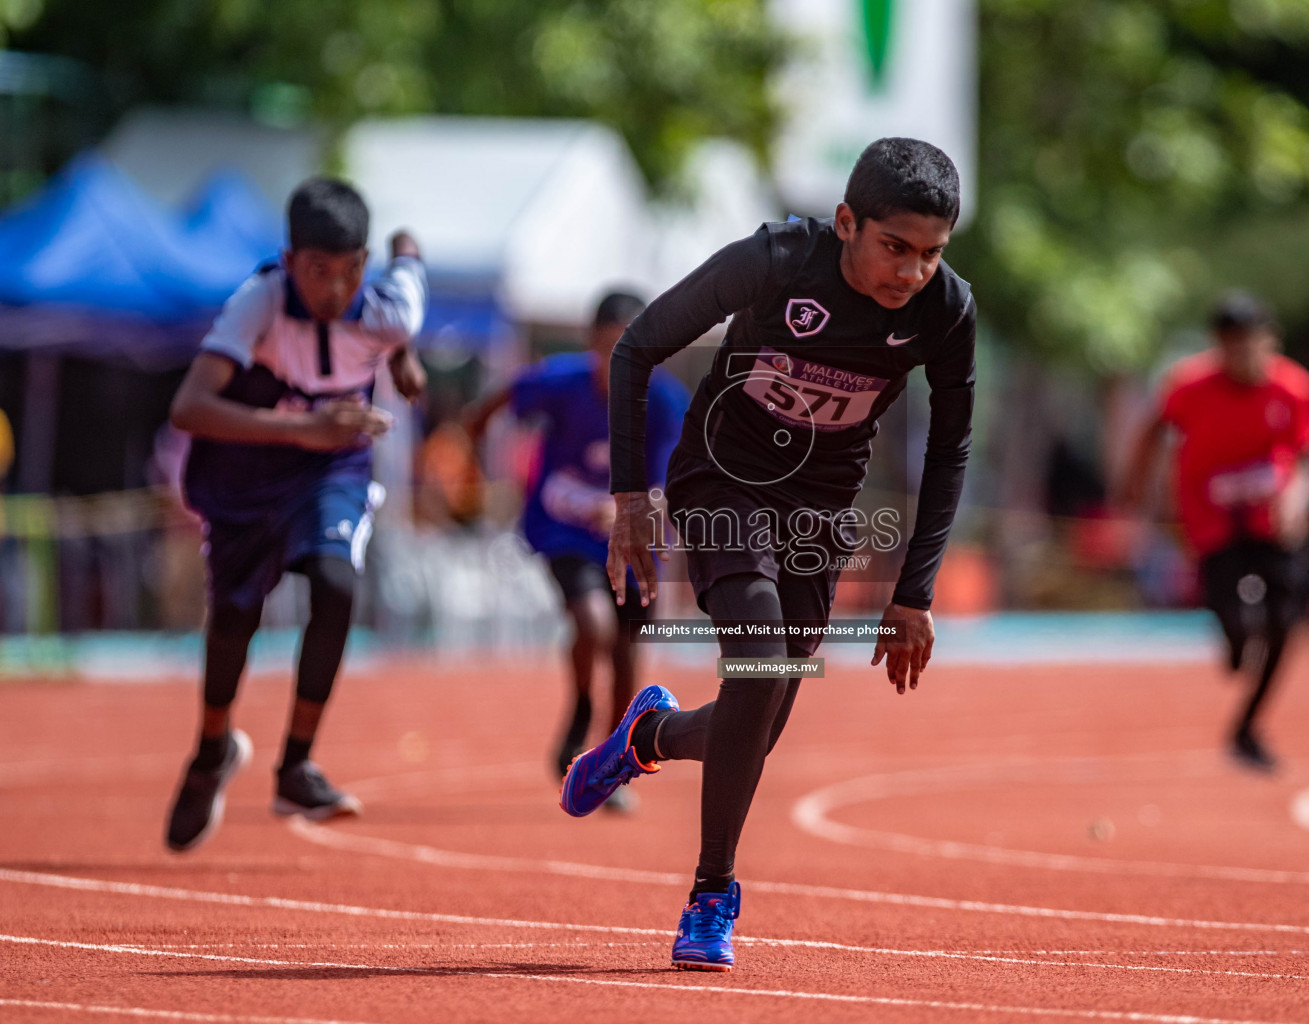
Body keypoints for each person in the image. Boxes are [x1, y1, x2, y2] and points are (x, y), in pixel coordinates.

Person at [560, 138, 975, 971]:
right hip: (722, 479)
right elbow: (635, 348)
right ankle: (713, 894)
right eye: (895, 248)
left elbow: (951, 448)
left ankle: (649, 736)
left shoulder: (945, 310)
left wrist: (913, 594)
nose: (911, 274)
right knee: (760, 654)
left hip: (819, 510)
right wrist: (633, 503)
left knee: (761, 716)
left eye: (931, 254)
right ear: (846, 222)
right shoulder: (776, 261)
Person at [163, 177, 427, 852]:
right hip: (245, 473)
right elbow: (188, 408)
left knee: (338, 585)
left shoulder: (391, 308)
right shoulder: (259, 304)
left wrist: (402, 352)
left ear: (365, 266)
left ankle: (295, 766)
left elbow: (409, 249)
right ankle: (211, 750)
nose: (334, 291)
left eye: (348, 273)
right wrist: (302, 428)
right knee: (233, 621)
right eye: (317, 273)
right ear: (288, 262)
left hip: (329, 469)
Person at [463, 292, 688, 808]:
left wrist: (639, 509)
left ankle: (609, 760)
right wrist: (475, 437)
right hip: (565, 532)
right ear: (591, 345)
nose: (622, 365)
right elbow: (502, 396)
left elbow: (673, 480)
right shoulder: (561, 381)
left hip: (635, 538)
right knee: (593, 624)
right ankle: (581, 708)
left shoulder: (666, 401)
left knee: (630, 652)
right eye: (612, 350)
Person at [1120, 291, 1309, 772]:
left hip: (1272, 519)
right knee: (1231, 617)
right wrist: (1134, 488)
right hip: (1210, 519)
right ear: (1217, 345)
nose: (1241, 354)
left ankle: (1247, 727)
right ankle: (1234, 642)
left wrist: (1298, 500)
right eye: (1229, 344)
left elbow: (1308, 456)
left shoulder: (1294, 388)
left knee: (1284, 619)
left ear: (1270, 340)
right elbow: (1153, 431)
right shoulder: (1189, 386)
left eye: (1250, 342)